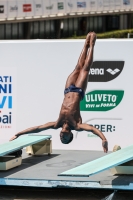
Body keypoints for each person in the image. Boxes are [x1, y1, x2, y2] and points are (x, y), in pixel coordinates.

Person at [10, 32, 108, 153]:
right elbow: (92, 129)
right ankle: (92, 44)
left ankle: (85, 44)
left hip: (67, 89)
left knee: (77, 67)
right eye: (65, 139)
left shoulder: (57, 124)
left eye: (61, 139)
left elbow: (38, 128)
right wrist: (103, 139)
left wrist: (19, 133)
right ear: (70, 135)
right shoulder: (76, 125)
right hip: (78, 91)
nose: (62, 137)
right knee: (85, 68)